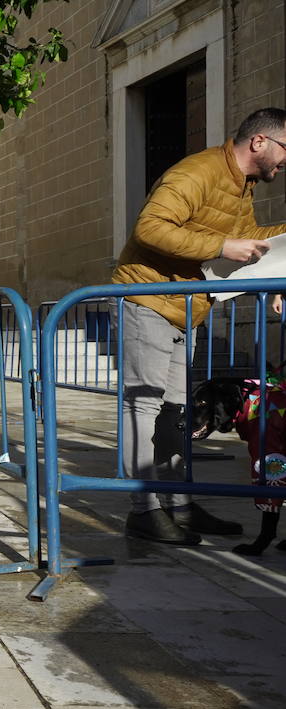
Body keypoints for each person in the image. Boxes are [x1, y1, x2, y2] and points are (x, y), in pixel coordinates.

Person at [113, 108, 286, 545]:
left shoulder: (241, 187)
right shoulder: (197, 172)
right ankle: (144, 511)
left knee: (175, 412)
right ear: (260, 142)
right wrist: (222, 244)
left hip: (186, 307)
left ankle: (180, 504)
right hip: (147, 297)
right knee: (144, 407)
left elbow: (251, 242)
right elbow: (150, 227)